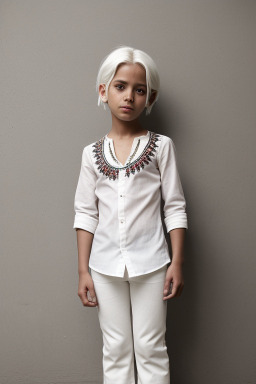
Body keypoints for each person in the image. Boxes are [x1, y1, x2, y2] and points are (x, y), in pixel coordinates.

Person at [73, 45, 188, 384]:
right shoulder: (91, 154)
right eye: (121, 86)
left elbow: (175, 207)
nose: (129, 97)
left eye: (139, 90)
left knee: (151, 347)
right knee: (117, 348)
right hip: (104, 266)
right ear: (103, 90)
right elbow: (85, 213)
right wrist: (83, 270)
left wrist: (177, 263)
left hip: (152, 263)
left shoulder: (161, 146)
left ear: (149, 97)